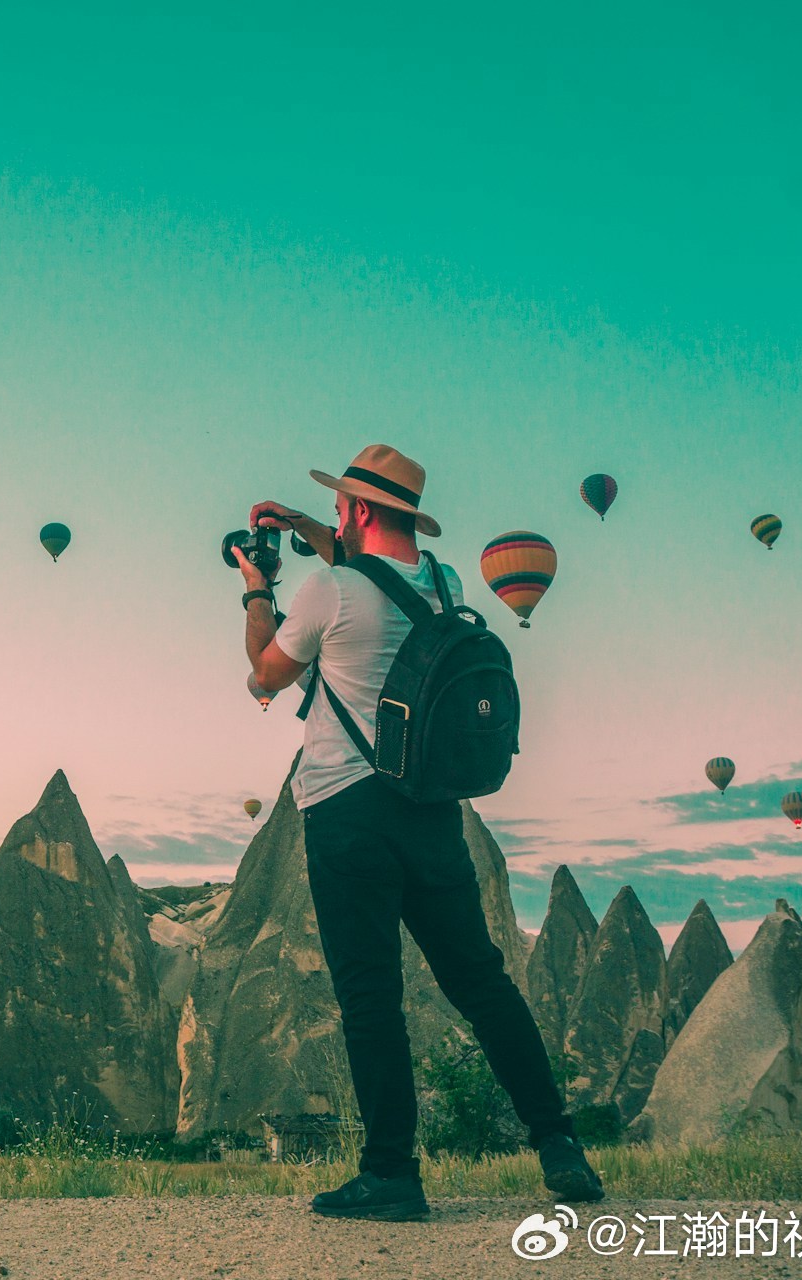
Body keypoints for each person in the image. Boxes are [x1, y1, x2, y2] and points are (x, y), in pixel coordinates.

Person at [234, 444, 603, 1221]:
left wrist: (257, 590)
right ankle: (559, 1143)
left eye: (339, 507)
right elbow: (374, 571)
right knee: (482, 982)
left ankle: (393, 1174)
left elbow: (266, 675)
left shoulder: (325, 591)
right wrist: (302, 521)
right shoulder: (444, 586)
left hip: (346, 813)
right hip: (435, 813)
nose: (333, 519)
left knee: (371, 997)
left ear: (360, 512)